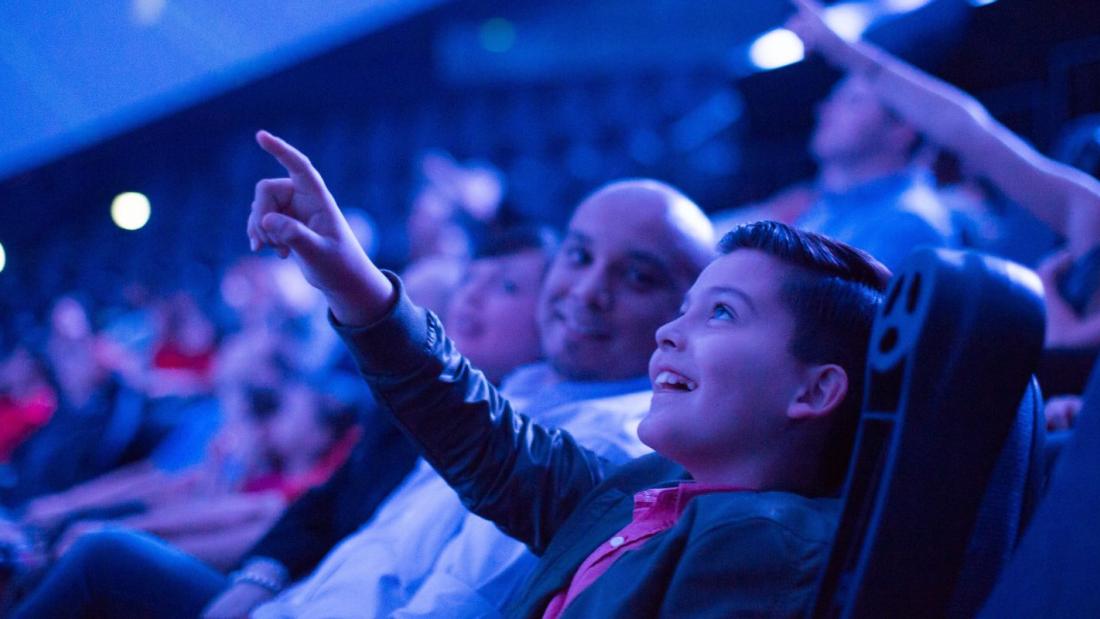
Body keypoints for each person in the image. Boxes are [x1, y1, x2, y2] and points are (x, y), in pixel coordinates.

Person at [239, 132, 885, 616]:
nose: (671, 332)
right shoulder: (653, 486)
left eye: (720, 313)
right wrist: (351, 277)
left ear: (816, 388)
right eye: (686, 309)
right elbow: (484, 442)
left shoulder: (761, 542)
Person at [787, 0, 1100, 346]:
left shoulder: (909, 219)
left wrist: (1058, 330)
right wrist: (847, 54)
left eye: (853, 103)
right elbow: (972, 133)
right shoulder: (1090, 211)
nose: (826, 111)